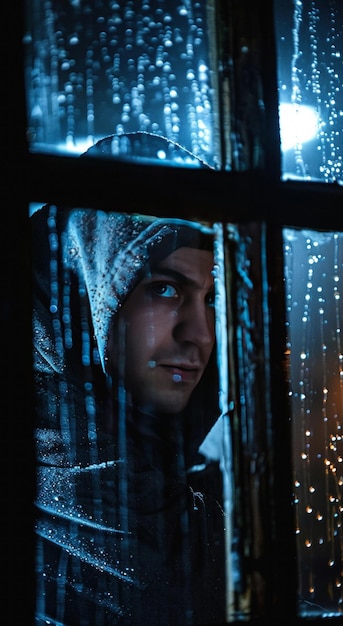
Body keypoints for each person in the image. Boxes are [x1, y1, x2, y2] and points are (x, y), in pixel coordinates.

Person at [31, 157, 227, 624]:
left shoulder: (201, 486)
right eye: (163, 289)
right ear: (85, 300)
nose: (200, 334)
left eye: (211, 298)